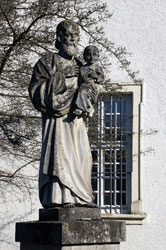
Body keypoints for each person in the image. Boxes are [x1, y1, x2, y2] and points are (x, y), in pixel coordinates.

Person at [29, 20, 97, 208]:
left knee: (83, 156)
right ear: (59, 38)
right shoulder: (46, 62)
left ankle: (82, 197)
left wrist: (90, 93)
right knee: (62, 154)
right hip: (57, 120)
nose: (73, 40)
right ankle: (61, 197)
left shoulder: (82, 65)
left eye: (76, 37)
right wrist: (62, 75)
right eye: (68, 35)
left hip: (77, 121)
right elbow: (37, 93)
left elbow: (91, 89)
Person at [73, 45, 104, 117]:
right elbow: (81, 77)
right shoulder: (83, 68)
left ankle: (88, 108)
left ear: (98, 56)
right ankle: (83, 108)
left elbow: (101, 78)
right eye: (89, 55)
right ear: (84, 56)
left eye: (94, 55)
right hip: (84, 85)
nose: (92, 57)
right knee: (81, 92)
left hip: (93, 85)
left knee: (83, 92)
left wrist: (95, 76)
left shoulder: (97, 68)